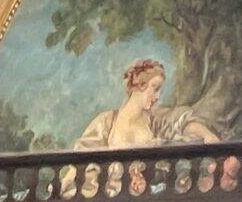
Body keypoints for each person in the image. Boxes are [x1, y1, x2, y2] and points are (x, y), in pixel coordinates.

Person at [76, 57, 219, 151]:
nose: (157, 97)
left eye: (160, 91)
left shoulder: (154, 119)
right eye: (155, 88)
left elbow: (182, 123)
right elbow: (80, 160)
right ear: (139, 84)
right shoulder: (106, 122)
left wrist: (207, 135)